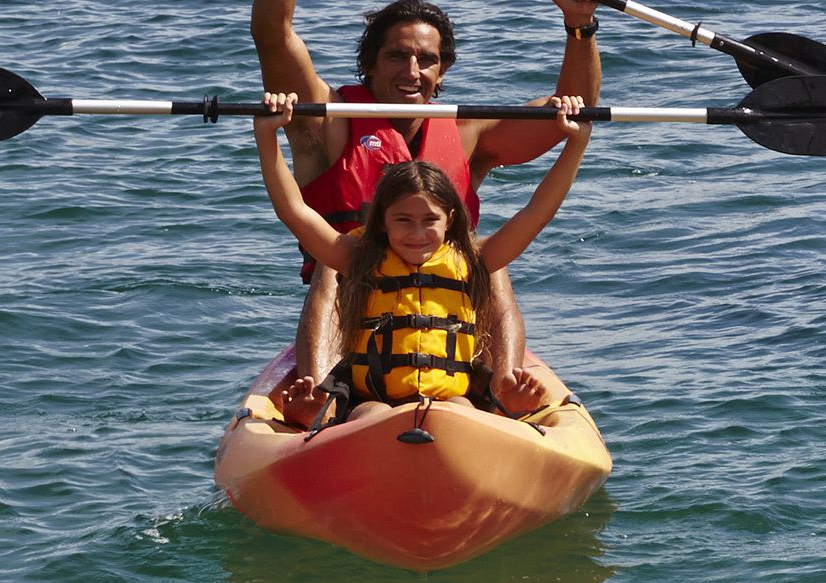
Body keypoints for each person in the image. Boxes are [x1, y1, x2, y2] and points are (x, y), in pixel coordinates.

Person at [252, 0, 606, 425]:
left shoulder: (470, 134)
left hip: (450, 316)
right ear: (368, 66)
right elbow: (274, 34)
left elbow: (572, 113)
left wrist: (579, 24)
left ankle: (504, 392)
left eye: (426, 60)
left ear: (443, 72)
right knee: (336, 260)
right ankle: (317, 396)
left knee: (488, 260)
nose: (411, 71)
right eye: (395, 56)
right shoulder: (330, 122)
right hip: (355, 323)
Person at [253, 98, 591, 419]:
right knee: (372, 414)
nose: (417, 234)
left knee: (461, 410)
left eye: (429, 220)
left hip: (450, 398)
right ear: (382, 222)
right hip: (375, 399)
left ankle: (503, 409)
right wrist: (267, 134)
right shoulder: (357, 257)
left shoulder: (476, 259)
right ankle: (319, 416)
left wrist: (576, 144)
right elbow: (294, 211)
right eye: (403, 220)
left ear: (451, 221)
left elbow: (538, 211)